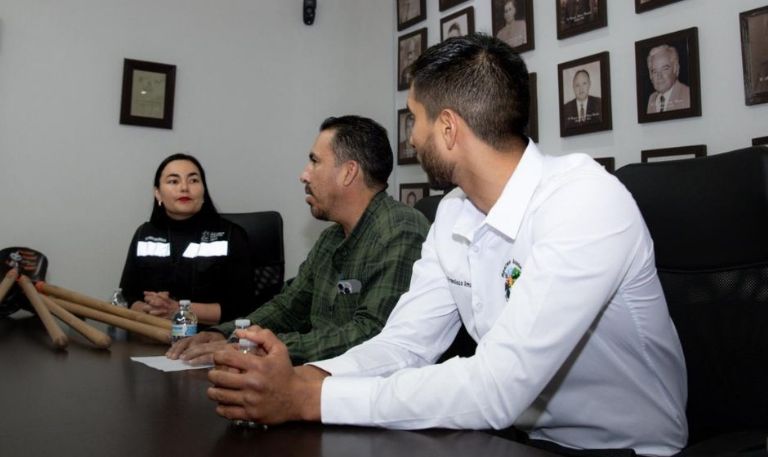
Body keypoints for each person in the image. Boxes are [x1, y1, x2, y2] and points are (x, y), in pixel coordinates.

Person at [206, 34, 688, 456]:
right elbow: (404, 343)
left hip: (625, 452)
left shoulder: (585, 201)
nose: (412, 138)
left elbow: (496, 387)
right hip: (514, 440)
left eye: (415, 119)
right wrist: (308, 378)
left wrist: (310, 399)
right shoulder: (452, 212)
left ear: (449, 128)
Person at [167, 116, 430, 365]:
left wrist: (260, 347)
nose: (304, 175)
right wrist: (227, 334)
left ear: (348, 173)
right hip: (319, 381)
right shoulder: (331, 238)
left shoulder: (400, 229)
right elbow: (290, 306)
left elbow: (370, 335)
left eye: (315, 161)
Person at [119, 153, 254, 326]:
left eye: (193, 180)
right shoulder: (144, 234)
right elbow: (126, 296)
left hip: (211, 339)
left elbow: (243, 307)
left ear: (204, 191)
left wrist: (178, 310)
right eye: (173, 181)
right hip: (153, 336)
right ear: (158, 193)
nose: (184, 188)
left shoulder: (230, 235)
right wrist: (151, 310)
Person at [646, 44, 691, 114]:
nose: (659, 76)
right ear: (650, 75)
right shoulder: (652, 99)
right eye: (654, 71)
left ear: (675, 69)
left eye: (665, 69)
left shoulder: (688, 95)